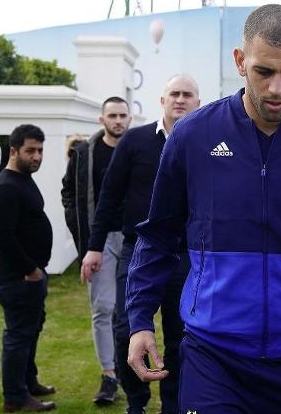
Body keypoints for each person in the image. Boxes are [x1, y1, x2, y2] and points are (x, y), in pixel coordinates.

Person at [126, 4, 281, 413]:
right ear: (240, 61)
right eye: (264, 71)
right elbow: (159, 235)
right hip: (214, 359)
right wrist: (138, 320)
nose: (276, 88)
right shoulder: (192, 137)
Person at [82, 75, 200, 414]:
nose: (180, 99)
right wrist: (94, 246)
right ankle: (136, 402)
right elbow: (109, 196)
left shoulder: (204, 146)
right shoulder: (134, 142)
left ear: (198, 103)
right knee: (126, 329)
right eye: (174, 94)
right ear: (161, 100)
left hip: (184, 257)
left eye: (187, 95)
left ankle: (173, 406)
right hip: (137, 253)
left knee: (181, 337)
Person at [61, 96, 132, 405]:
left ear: (130, 119)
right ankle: (109, 375)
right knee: (102, 310)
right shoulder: (84, 154)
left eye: (122, 115)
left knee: (129, 312)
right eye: (112, 115)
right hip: (99, 241)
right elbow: (69, 194)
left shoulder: (139, 148)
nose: (118, 120)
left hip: (133, 240)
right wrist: (84, 239)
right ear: (102, 120)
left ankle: (131, 372)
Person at [0, 124, 55, 413]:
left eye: (40, 150)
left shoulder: (22, 178)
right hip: (18, 277)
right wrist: (31, 270)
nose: (37, 156)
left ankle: (28, 382)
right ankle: (15, 398)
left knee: (30, 330)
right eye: (30, 151)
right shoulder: (4, 187)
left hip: (30, 274)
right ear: (13, 151)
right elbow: (4, 237)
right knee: (18, 336)